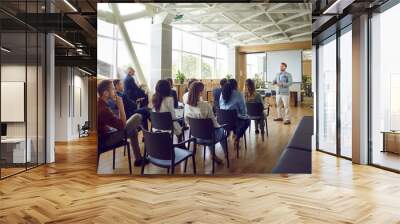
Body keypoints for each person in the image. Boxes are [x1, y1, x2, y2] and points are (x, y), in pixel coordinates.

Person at [97, 80, 146, 167]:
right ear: (105, 93)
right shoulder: (103, 109)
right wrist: (121, 105)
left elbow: (119, 123)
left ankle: (138, 160)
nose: (115, 91)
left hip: (106, 134)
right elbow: (122, 125)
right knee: (137, 116)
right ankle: (139, 159)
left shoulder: (100, 104)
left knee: (133, 131)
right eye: (112, 89)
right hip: (106, 139)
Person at [184, 81, 227, 165]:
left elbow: (187, 122)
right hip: (209, 137)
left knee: (208, 131)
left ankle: (213, 154)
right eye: (203, 90)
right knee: (221, 131)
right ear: (200, 92)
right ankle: (225, 154)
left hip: (195, 137)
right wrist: (220, 126)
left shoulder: (186, 105)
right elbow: (214, 123)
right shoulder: (206, 105)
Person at [219, 79, 250, 148]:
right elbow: (244, 111)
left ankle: (234, 134)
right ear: (236, 86)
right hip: (234, 122)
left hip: (222, 122)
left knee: (236, 119)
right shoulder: (239, 94)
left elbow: (220, 106)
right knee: (247, 120)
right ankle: (237, 137)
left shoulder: (222, 94)